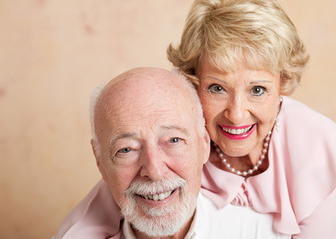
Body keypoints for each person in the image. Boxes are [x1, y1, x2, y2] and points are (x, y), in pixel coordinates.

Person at [54, 0, 336, 238]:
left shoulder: (315, 151)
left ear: (282, 84)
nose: (237, 113)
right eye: (217, 88)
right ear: (191, 81)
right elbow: (95, 216)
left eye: (257, 89)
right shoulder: (173, 145)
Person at [54, 67, 291, 239]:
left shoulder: (266, 232)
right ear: (100, 162)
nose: (154, 171)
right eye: (126, 149)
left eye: (174, 140)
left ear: (204, 145)